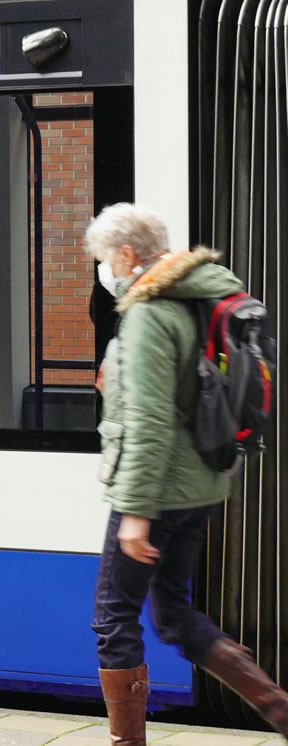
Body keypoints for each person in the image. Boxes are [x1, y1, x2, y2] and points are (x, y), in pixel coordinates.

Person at [85, 203, 288, 745]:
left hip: (158, 492)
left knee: (113, 620)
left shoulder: (152, 311)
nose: (105, 269)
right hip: (200, 484)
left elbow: (150, 422)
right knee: (172, 614)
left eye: (105, 258)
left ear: (128, 255)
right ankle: (276, 705)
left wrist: (135, 515)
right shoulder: (200, 296)